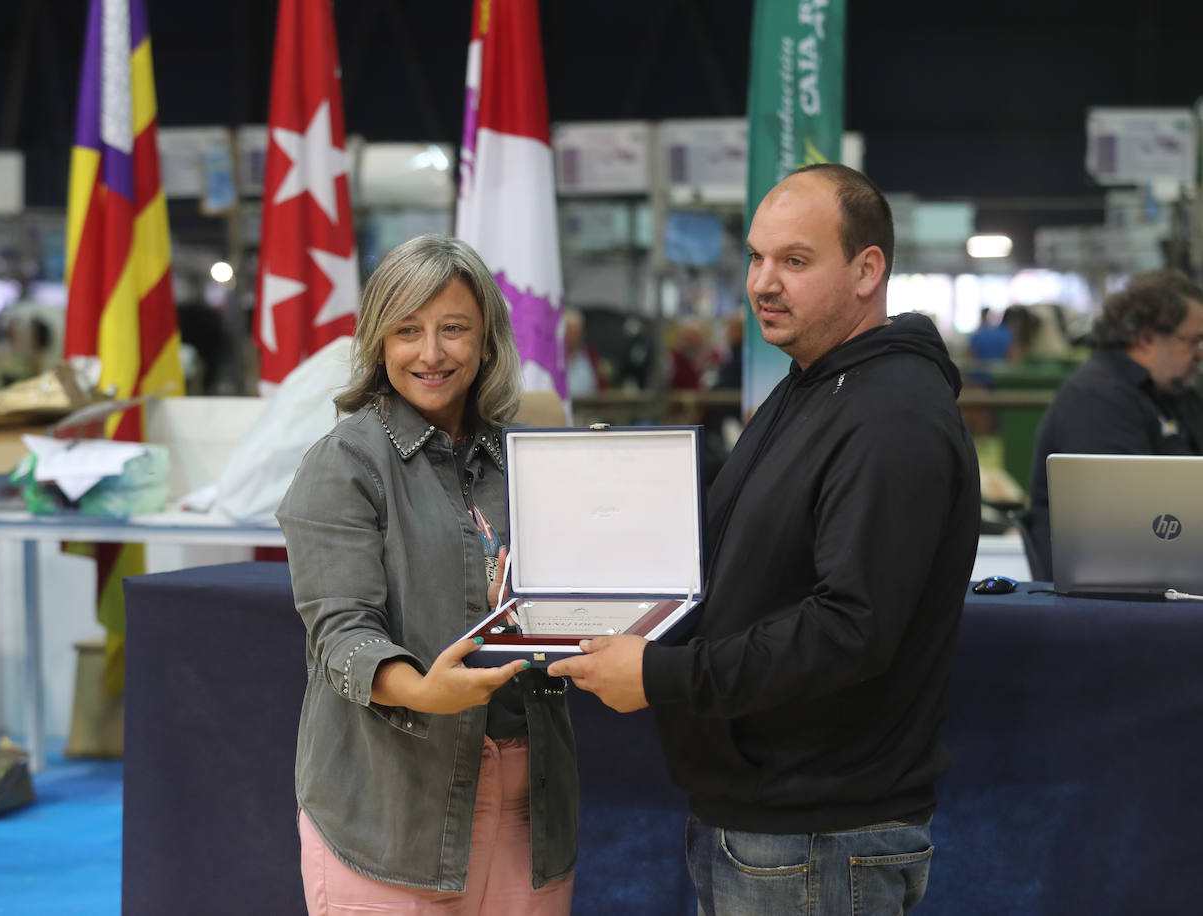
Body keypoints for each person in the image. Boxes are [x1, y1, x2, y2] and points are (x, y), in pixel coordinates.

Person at [548, 164, 981, 915]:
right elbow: (734, 562)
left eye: (795, 260)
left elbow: (850, 628)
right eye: (755, 257)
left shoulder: (891, 417)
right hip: (762, 819)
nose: (762, 283)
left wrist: (663, 677)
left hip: (819, 834)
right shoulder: (812, 384)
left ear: (867, 269)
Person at [277, 235, 577, 914]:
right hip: (390, 814)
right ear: (380, 342)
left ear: (488, 340)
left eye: (453, 329)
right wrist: (422, 689)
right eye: (408, 330)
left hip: (533, 806)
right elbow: (340, 633)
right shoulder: (344, 462)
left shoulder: (526, 460)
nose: (432, 353)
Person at [1026, 270, 1203, 577]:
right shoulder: (1097, 399)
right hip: (1114, 592)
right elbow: (1135, 519)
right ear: (1146, 339)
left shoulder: (1172, 391)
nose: (1200, 353)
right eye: (1193, 341)